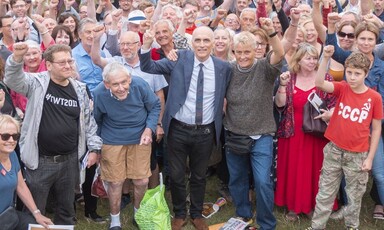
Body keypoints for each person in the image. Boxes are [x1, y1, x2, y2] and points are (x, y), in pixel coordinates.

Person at [139, 26, 232, 230]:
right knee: (178, 174)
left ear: (213, 43)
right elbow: (148, 67)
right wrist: (146, 45)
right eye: (197, 40)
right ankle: (180, 213)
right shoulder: (178, 59)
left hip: (206, 131)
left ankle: (197, 213)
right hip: (178, 129)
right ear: (191, 42)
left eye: (206, 40)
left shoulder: (223, 68)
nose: (201, 45)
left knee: (199, 175)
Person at [4, 43, 102, 225]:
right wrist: (17, 58)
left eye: (70, 61)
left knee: (67, 209)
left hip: (70, 161)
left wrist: (94, 149)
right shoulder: (36, 83)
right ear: (49, 65)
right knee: (35, 211)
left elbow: (89, 123)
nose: (67, 65)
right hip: (41, 162)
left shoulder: (79, 89)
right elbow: (12, 79)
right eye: (62, 62)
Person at [307, 45, 383, 230]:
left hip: (358, 154)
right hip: (334, 150)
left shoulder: (374, 98)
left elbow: (376, 128)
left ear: (366, 74)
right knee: (325, 192)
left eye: (357, 73)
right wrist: (325, 59)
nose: (352, 77)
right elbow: (319, 83)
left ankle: (351, 226)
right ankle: (317, 226)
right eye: (349, 72)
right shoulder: (342, 88)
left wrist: (370, 158)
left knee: (355, 195)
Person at [224, 17, 283, 229]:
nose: (242, 56)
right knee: (237, 179)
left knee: (262, 181)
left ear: (255, 50)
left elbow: (280, 53)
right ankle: (243, 214)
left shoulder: (265, 68)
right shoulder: (228, 70)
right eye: (238, 52)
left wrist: (272, 34)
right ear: (233, 52)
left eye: (246, 52)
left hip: (261, 135)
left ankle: (266, 222)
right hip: (234, 133)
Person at [93, 62, 161, 230]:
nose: (121, 88)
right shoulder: (99, 93)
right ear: (107, 84)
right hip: (112, 139)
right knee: (115, 182)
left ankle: (137, 214)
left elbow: (155, 106)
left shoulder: (139, 85)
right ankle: (115, 220)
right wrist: (98, 147)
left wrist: (149, 129)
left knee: (141, 180)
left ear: (130, 79)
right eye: (115, 84)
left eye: (124, 82)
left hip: (139, 137)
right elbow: (97, 119)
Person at [274, 43, 336, 221]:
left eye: (315, 58)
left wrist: (329, 114)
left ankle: (312, 205)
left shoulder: (325, 78)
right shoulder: (289, 78)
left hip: (316, 134)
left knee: (315, 170)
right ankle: (293, 207)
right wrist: (282, 86)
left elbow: (334, 104)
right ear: (298, 59)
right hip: (292, 133)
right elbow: (280, 104)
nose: (312, 61)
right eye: (308, 58)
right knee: (294, 170)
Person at [0, 115, 53, 230]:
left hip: (8, 216)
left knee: (39, 226)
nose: (11, 140)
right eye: (5, 136)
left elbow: (21, 186)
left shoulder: (12, 155)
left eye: (15, 136)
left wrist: (36, 213)